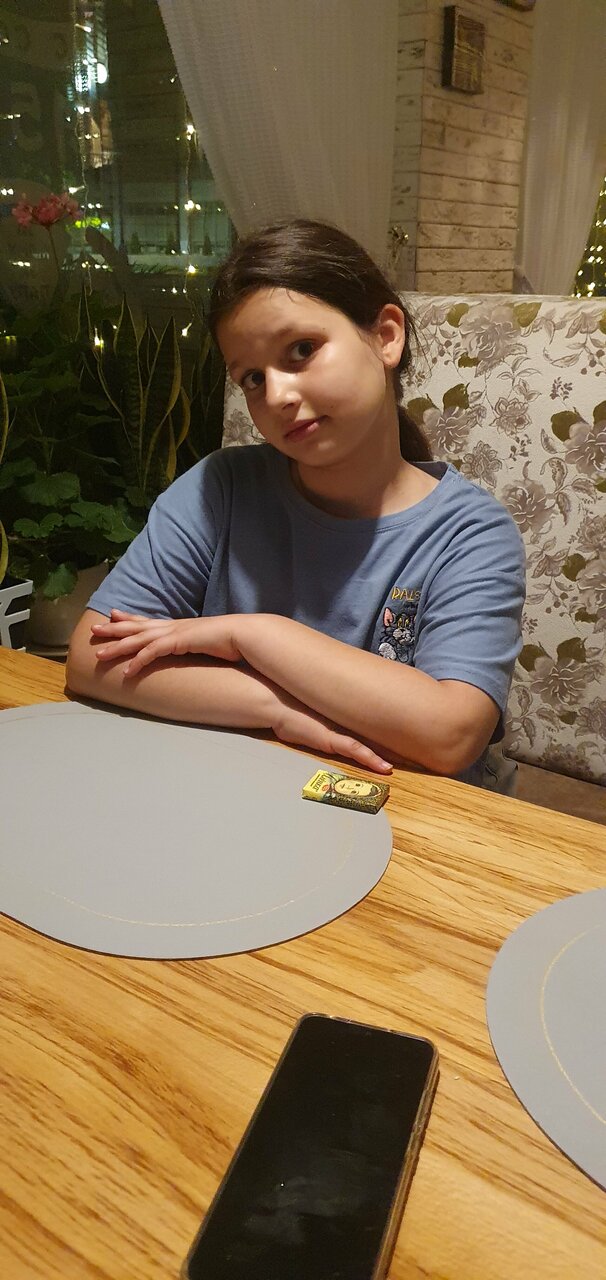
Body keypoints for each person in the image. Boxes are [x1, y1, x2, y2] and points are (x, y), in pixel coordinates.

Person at [67, 219, 525, 788]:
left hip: (409, 813)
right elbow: (91, 658)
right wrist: (272, 707)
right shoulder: (219, 489)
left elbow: (450, 735)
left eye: (302, 350)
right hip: (241, 789)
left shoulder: (470, 534)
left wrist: (255, 635)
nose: (278, 395)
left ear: (386, 336)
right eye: (252, 379)